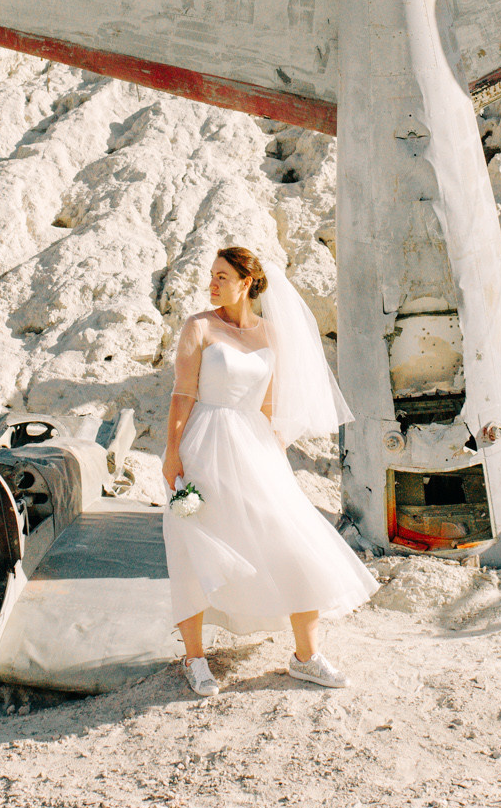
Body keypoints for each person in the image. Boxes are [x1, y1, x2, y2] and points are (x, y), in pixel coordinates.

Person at [161, 246, 378, 697]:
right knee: (192, 547)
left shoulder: (271, 334)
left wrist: (273, 450)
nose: (212, 283)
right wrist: (172, 453)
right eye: (212, 275)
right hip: (204, 444)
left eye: (222, 276)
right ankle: (195, 659)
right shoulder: (199, 326)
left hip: (255, 445)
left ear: (246, 283)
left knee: (291, 540)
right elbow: (182, 395)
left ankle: (306, 657)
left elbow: (270, 402)